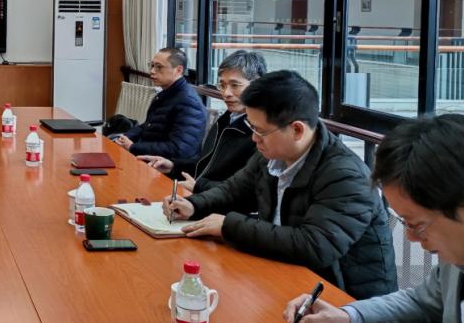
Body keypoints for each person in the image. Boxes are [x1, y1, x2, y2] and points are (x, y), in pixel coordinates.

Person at [284, 114, 464, 323]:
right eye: (404, 223)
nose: (411, 238)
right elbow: (423, 306)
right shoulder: (463, 255)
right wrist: (347, 319)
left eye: (417, 225)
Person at [164, 70, 396, 300]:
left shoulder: (346, 175)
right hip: (284, 273)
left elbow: (314, 246)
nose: (254, 138)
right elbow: (235, 190)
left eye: (260, 130)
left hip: (343, 300)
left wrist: (229, 226)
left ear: (297, 130)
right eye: (252, 127)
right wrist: (193, 205)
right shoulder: (272, 154)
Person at [141, 49, 265, 193]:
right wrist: (173, 166)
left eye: (235, 85)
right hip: (202, 195)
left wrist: (198, 187)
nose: (226, 93)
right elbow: (206, 165)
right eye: (222, 85)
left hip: (216, 202)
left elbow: (246, 191)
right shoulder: (226, 119)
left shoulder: (260, 132)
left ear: (257, 84)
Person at [113, 47, 206, 165]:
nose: (152, 71)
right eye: (152, 65)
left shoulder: (189, 102)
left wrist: (133, 147)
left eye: (159, 67)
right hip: (147, 158)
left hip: (165, 168)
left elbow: (179, 149)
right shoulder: (166, 93)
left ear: (178, 70)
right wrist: (125, 138)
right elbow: (148, 125)